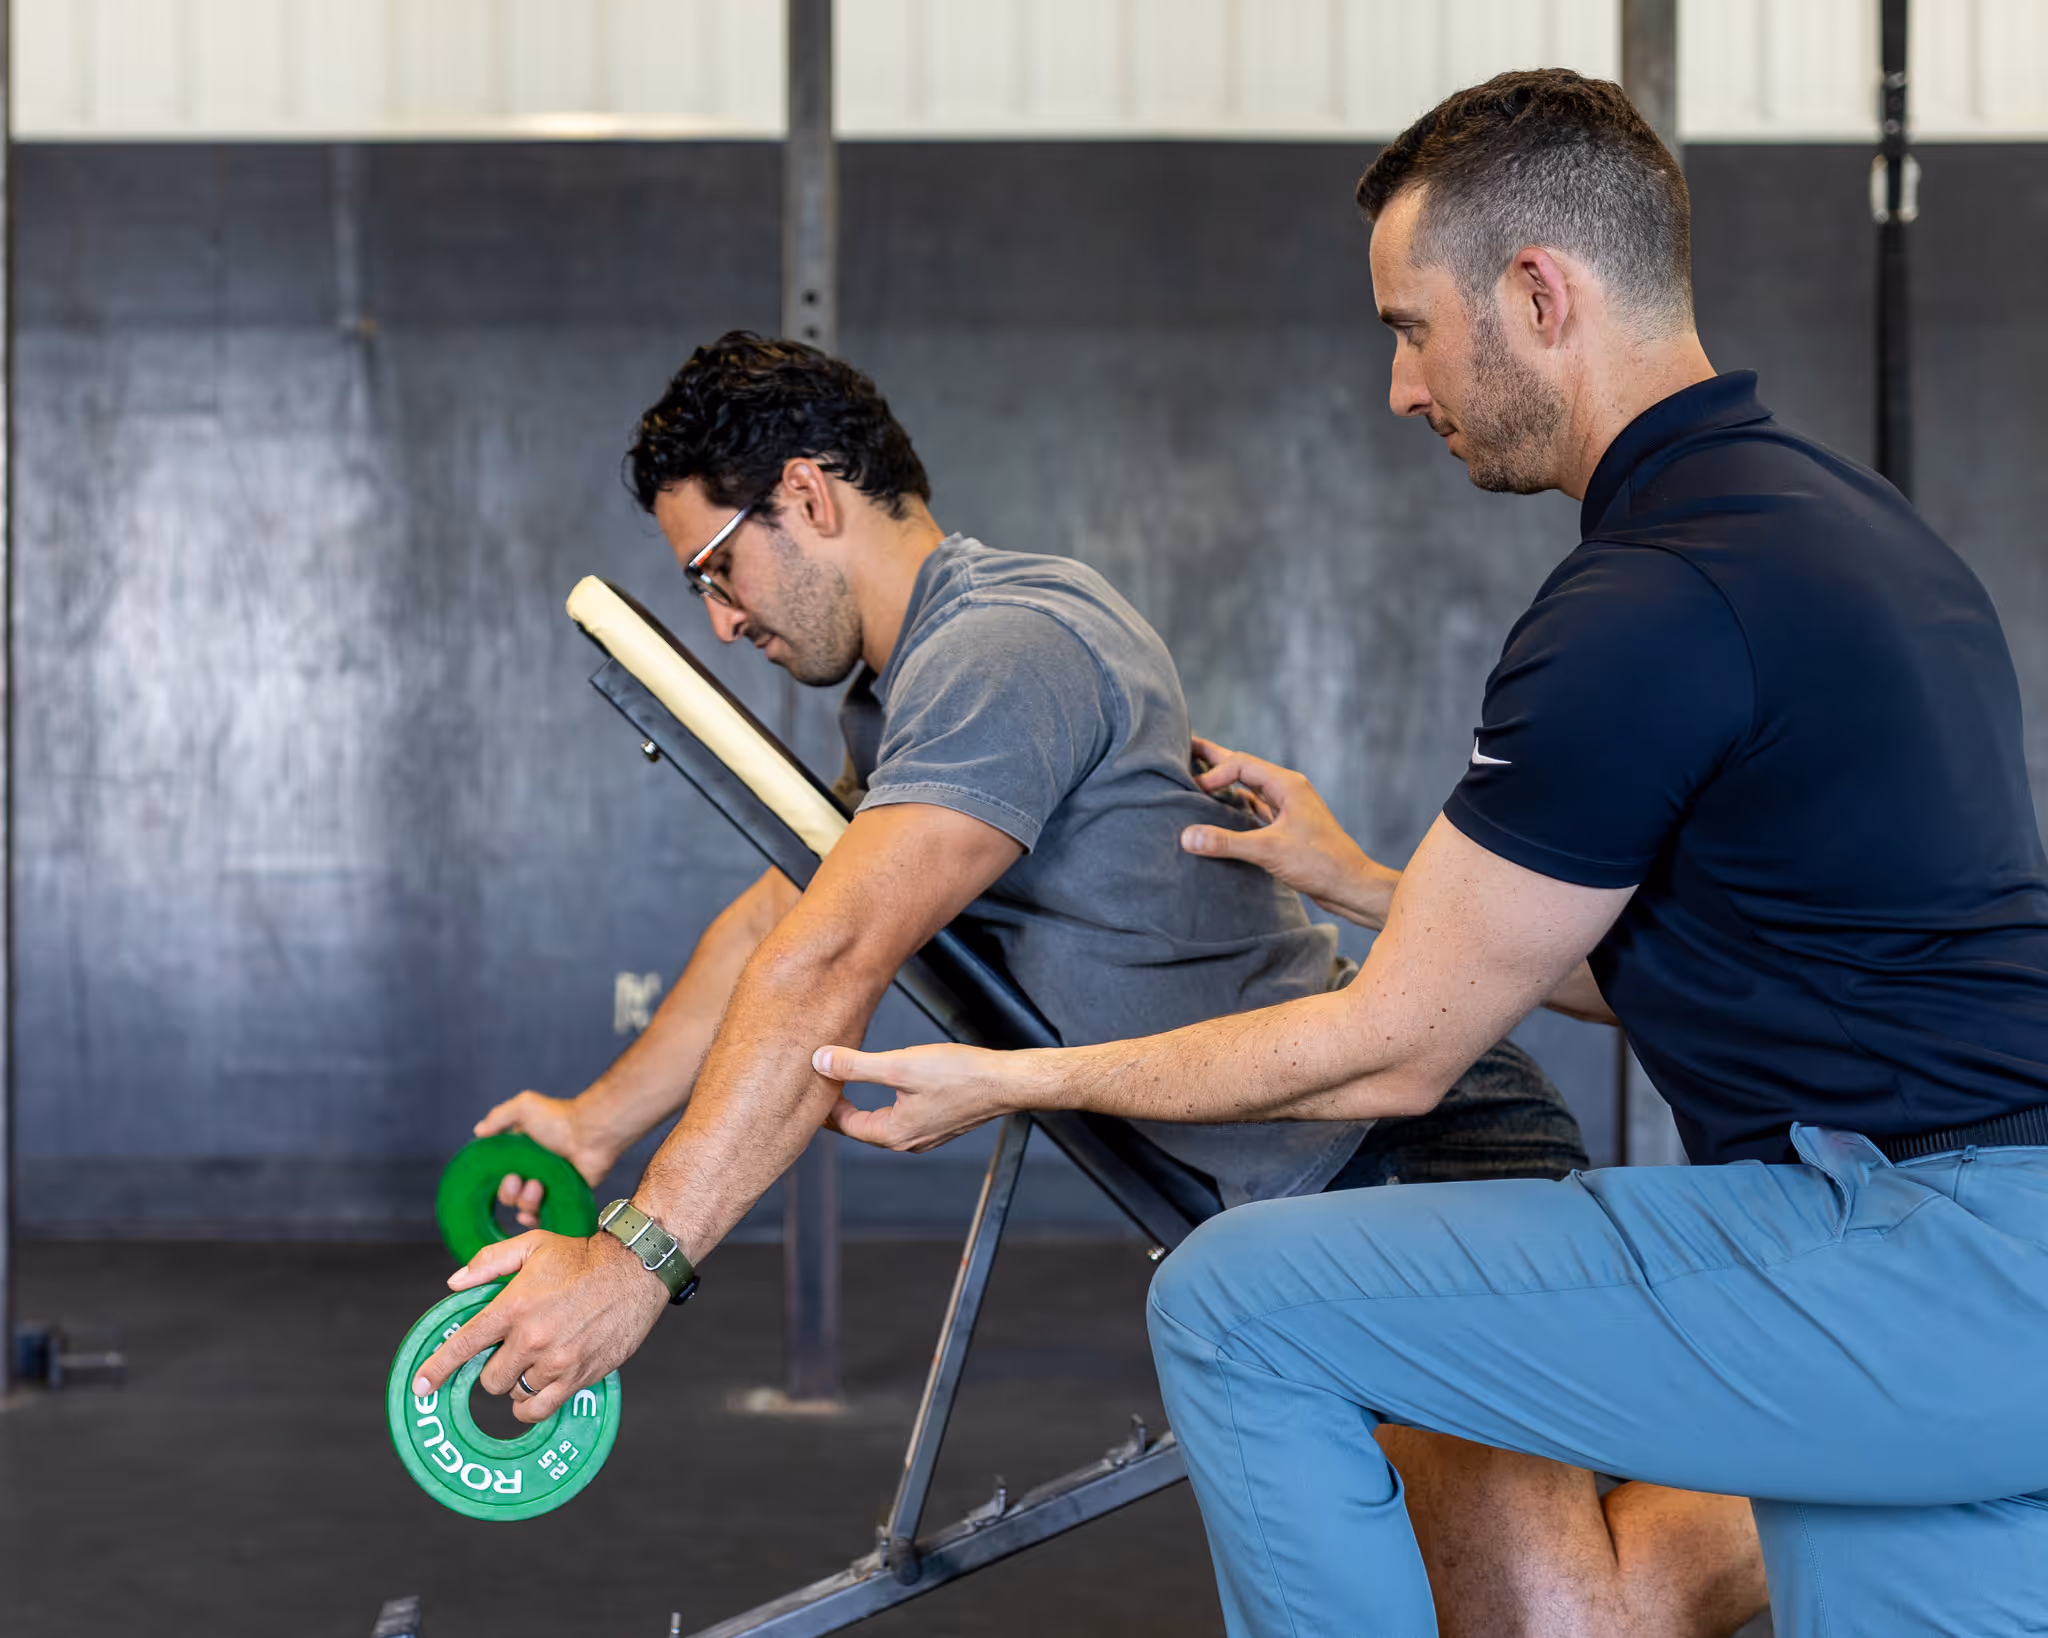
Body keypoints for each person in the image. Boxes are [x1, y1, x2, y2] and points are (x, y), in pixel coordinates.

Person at [810, 69, 2048, 1637]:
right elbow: (1703, 964)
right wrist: (1354, 875)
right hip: (2006, 1297)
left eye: (1409, 327)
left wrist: (1014, 1077)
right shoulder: (1862, 537)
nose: (1402, 387)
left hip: (1902, 1254)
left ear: (1537, 295)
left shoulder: (1644, 602)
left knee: (1244, 1303)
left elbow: (1394, 1055)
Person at [416, 332, 1759, 1635]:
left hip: (1405, 1154)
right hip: (1316, 1195)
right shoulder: (907, 697)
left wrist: (636, 1264)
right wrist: (597, 1121)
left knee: (1568, 1619)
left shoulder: (1000, 652)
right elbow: (781, 915)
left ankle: (1890, 1446)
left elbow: (826, 962)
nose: (719, 619)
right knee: (1545, 1604)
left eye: (717, 567)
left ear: (809, 495)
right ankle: (1872, 1441)